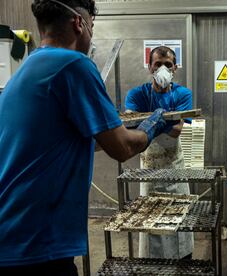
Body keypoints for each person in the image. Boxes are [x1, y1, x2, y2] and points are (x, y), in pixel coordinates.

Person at [0, 0, 167, 275]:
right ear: (79, 23)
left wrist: (116, 132)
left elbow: (64, 142)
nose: (91, 34)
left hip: (11, 234)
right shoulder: (73, 65)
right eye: (92, 26)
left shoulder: (28, 68)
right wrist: (150, 128)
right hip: (36, 244)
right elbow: (122, 148)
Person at [125, 46, 194, 259]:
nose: (163, 68)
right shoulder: (137, 94)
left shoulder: (182, 94)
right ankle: (153, 264)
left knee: (178, 216)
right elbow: (129, 128)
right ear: (150, 67)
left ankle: (183, 262)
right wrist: (165, 119)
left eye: (168, 65)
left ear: (175, 68)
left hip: (174, 164)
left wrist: (151, 120)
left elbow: (177, 131)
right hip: (149, 164)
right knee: (151, 218)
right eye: (158, 64)